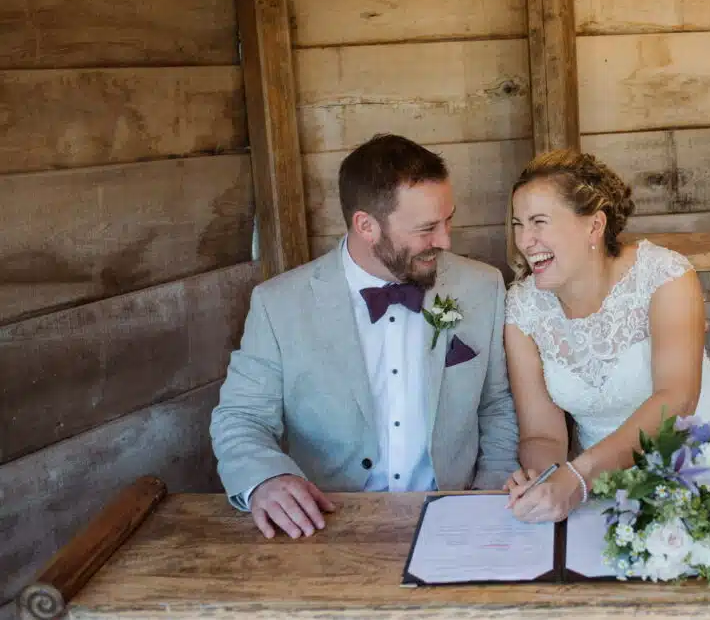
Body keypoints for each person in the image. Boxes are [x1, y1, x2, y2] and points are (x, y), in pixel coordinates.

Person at [210, 133, 520, 539]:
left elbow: (497, 405)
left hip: (457, 519)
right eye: (427, 228)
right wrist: (265, 480)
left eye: (448, 220)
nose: (445, 241)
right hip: (324, 526)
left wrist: (487, 498)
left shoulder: (482, 286)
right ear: (366, 225)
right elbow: (241, 417)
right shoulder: (279, 305)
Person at [501, 149, 710, 524]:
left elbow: (676, 397)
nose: (524, 240)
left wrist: (579, 476)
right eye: (518, 224)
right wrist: (546, 482)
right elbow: (541, 435)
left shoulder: (663, 274)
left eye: (539, 222)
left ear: (594, 226)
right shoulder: (523, 307)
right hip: (608, 488)